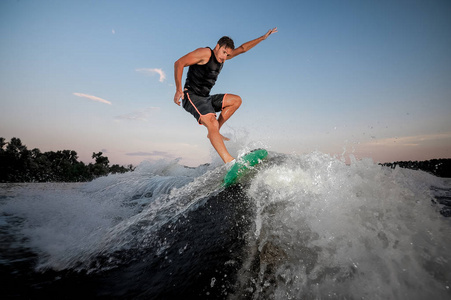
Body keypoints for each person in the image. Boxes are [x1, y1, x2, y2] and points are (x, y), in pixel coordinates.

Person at [173, 28, 277, 164]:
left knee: (236, 101)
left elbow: (243, 48)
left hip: (206, 98)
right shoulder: (205, 53)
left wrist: (263, 38)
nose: (224, 57)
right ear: (217, 47)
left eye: (227, 54)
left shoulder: (224, 56)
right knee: (211, 122)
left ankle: (215, 132)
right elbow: (179, 63)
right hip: (191, 96)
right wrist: (178, 89)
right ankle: (230, 162)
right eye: (223, 52)